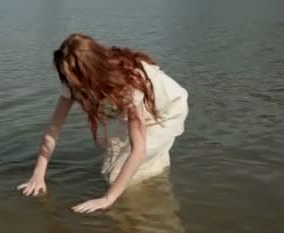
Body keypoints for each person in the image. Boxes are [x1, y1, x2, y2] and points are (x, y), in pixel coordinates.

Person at [17, 33, 189, 214]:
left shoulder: (127, 82)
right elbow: (54, 129)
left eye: (76, 80)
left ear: (91, 72)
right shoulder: (71, 81)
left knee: (119, 177)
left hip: (166, 110)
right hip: (134, 109)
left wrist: (108, 198)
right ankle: (156, 165)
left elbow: (138, 148)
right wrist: (38, 174)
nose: (72, 85)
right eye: (67, 78)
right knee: (110, 169)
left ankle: (143, 210)